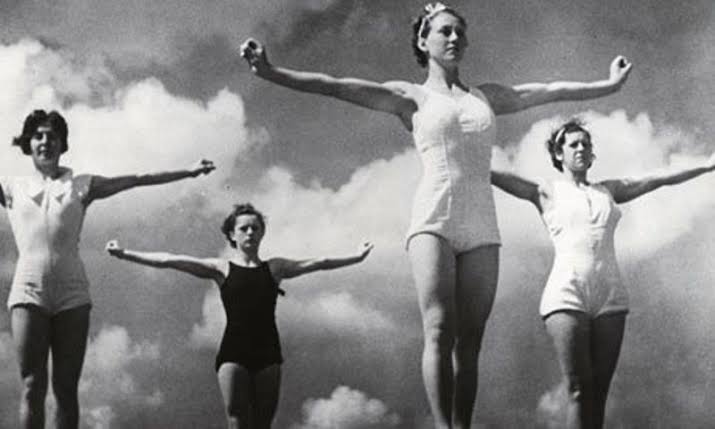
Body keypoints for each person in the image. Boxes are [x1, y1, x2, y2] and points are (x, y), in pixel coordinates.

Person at [239, 3, 632, 428]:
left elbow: (548, 90)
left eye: (460, 31)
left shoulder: (486, 97)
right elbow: (335, 85)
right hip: (433, 220)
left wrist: (608, 85)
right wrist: (270, 71)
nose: (454, 38)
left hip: (482, 225)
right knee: (440, 329)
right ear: (423, 41)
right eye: (445, 31)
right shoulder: (410, 97)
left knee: (471, 342)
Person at [490, 119, 715, 428]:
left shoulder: (608, 190)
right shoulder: (546, 191)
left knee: (599, 393)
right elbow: (494, 174)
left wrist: (706, 165)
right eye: (573, 144)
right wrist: (449, 151)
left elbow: (657, 178)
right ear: (558, 154)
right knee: (579, 390)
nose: (581, 148)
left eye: (586, 144)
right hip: (566, 293)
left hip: (610, 292)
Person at [0, 109, 215, 429]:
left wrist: (188, 171)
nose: (45, 142)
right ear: (28, 144)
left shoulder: (81, 185)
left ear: (62, 144)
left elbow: (137, 178)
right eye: (38, 136)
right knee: (32, 384)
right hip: (28, 289)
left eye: (52, 136)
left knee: (66, 389)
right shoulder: (11, 186)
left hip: (72, 292)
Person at [105, 203, 373, 429]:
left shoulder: (275, 268)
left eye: (255, 228)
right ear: (232, 235)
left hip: (268, 353)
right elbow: (169, 260)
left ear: (262, 233)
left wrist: (357, 257)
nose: (250, 233)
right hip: (234, 352)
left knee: (263, 424)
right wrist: (123, 254)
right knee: (237, 422)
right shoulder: (221, 268)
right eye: (244, 228)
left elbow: (319, 262)